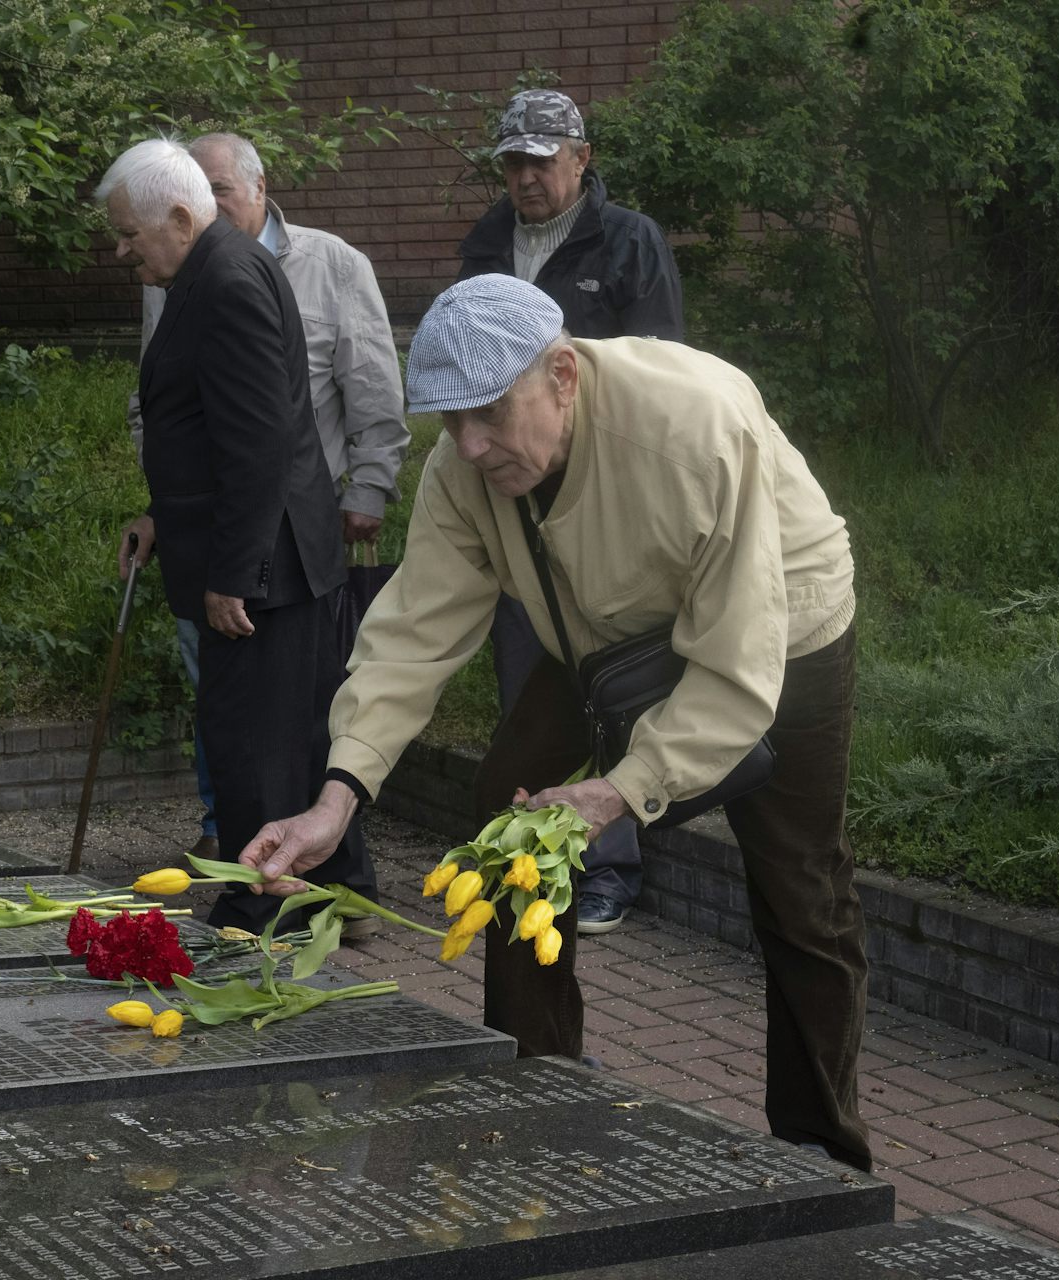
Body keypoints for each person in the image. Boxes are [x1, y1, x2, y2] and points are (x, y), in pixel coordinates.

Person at [236, 275, 872, 1172]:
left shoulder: (696, 426)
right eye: (450, 421)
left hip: (780, 623)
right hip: (606, 639)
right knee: (512, 816)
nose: (470, 445)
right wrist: (338, 799)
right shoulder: (468, 467)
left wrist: (620, 793)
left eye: (490, 413)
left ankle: (822, 1156)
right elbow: (412, 634)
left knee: (802, 891)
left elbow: (736, 666)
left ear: (563, 374)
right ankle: (536, 1092)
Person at [97, 138, 376, 931]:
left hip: (267, 564)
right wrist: (165, 517)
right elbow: (208, 428)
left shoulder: (224, 279)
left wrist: (234, 570)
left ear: (181, 217)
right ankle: (338, 894)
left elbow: (262, 442)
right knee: (286, 730)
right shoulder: (209, 269)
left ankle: (262, 908)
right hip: (260, 553)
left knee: (254, 739)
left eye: (129, 233)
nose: (121, 250)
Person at [458, 88, 685, 938]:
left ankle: (611, 865)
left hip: (608, 493)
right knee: (528, 683)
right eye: (512, 162)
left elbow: (664, 370)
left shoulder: (628, 240)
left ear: (581, 159)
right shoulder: (485, 244)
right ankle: (535, 857)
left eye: (541, 161)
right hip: (514, 491)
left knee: (614, 682)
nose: (525, 177)